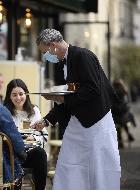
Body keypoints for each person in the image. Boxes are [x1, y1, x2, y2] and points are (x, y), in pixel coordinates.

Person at [33, 28, 121, 190]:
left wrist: (63, 97)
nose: (46, 56)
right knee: (68, 162)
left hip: (97, 121)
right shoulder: (61, 64)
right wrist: (47, 120)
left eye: (45, 52)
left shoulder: (83, 56)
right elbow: (66, 98)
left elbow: (93, 89)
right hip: (77, 121)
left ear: (53, 46)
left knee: (99, 166)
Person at [4, 78, 48, 190]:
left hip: (29, 153)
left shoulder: (34, 111)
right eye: (14, 95)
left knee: (41, 153)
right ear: (9, 96)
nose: (18, 98)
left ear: (26, 94)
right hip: (11, 154)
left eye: (21, 94)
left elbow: (43, 136)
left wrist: (33, 136)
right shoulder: (4, 112)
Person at [111, 79, 136, 147]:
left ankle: (120, 140)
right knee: (126, 120)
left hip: (116, 112)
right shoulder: (123, 90)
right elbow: (126, 98)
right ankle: (128, 134)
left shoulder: (113, 90)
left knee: (118, 125)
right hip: (122, 112)